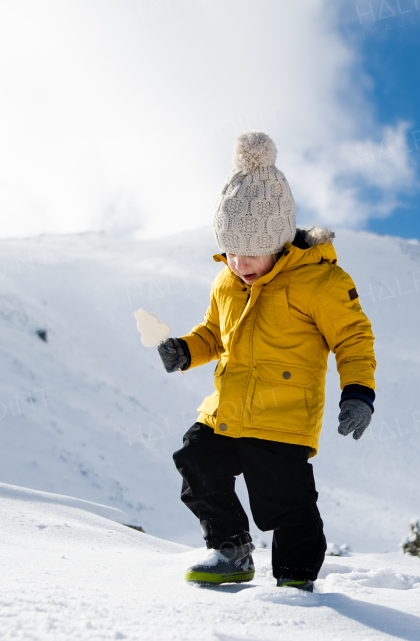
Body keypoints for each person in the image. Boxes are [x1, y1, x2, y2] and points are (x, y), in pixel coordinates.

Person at [155, 131, 376, 592]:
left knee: (286, 502)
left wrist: (358, 393)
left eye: (250, 252)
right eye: (229, 251)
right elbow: (216, 334)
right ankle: (231, 549)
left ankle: (296, 580)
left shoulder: (319, 282)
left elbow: (353, 338)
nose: (238, 262)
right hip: (228, 409)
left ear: (276, 240)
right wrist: (186, 350)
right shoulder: (227, 282)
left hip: (282, 416)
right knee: (195, 460)